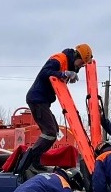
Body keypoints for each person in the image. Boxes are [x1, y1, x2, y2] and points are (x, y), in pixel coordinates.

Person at [16, 44, 94, 174]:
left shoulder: (67, 63)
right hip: (37, 99)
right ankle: (29, 162)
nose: (81, 66)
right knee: (50, 132)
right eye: (82, 63)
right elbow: (44, 73)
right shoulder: (59, 59)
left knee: (54, 131)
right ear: (77, 56)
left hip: (43, 101)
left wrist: (66, 74)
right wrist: (63, 73)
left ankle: (34, 162)